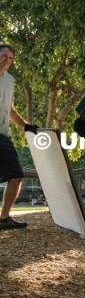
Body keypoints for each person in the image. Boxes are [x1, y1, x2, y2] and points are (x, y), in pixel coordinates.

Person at [0, 43, 38, 231]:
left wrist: (25, 125)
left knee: (16, 176)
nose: (7, 60)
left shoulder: (9, 80)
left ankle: (4, 218)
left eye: (10, 58)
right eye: (4, 56)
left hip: (2, 135)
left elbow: (9, 108)